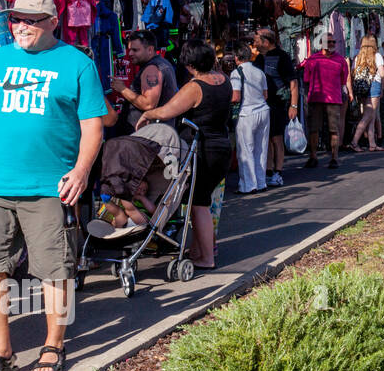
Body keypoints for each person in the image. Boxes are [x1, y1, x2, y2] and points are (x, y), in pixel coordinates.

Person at [0, 0, 106, 371]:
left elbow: (93, 126)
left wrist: (81, 171)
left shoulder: (77, 64)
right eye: (17, 19)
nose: (22, 26)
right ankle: (2, 352)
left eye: (32, 20)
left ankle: (54, 345)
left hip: (50, 188)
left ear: (52, 21)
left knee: (55, 272)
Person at [137, 42, 233, 270]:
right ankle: (200, 250)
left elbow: (168, 110)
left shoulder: (195, 87)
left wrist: (148, 114)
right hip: (222, 146)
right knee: (204, 201)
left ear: (190, 65)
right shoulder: (224, 80)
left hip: (203, 149)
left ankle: (206, 258)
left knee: (198, 203)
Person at [252, 28, 299, 188]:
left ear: (266, 41)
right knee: (266, 138)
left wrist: (293, 105)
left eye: (257, 39)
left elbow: (293, 83)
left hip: (278, 104)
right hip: (261, 104)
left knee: (276, 138)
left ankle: (278, 172)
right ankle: (269, 171)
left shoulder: (282, 57)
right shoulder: (258, 58)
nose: (254, 43)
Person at [112, 29, 180, 134]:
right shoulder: (162, 63)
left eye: (135, 50)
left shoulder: (152, 68)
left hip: (147, 139)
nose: (130, 53)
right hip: (152, 135)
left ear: (150, 50)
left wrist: (123, 89)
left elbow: (148, 104)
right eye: (129, 49)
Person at [301, 34, 352, 170]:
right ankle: (313, 156)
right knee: (314, 129)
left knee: (333, 129)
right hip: (316, 98)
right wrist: (307, 98)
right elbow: (306, 80)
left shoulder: (340, 60)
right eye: (328, 42)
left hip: (333, 98)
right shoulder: (312, 59)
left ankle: (334, 157)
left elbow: (343, 80)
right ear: (321, 43)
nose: (331, 44)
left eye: (333, 41)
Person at [230, 42, 270, 194]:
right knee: (261, 149)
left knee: (246, 150)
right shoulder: (259, 72)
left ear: (236, 57)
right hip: (263, 111)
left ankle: (248, 185)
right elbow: (266, 95)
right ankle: (261, 182)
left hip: (247, 113)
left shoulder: (236, 73)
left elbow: (235, 96)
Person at [349, 35, 384, 152]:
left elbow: (354, 73)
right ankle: (354, 142)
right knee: (368, 115)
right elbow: (383, 73)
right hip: (374, 85)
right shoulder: (377, 56)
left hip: (361, 87)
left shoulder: (357, 57)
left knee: (371, 115)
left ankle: (372, 143)